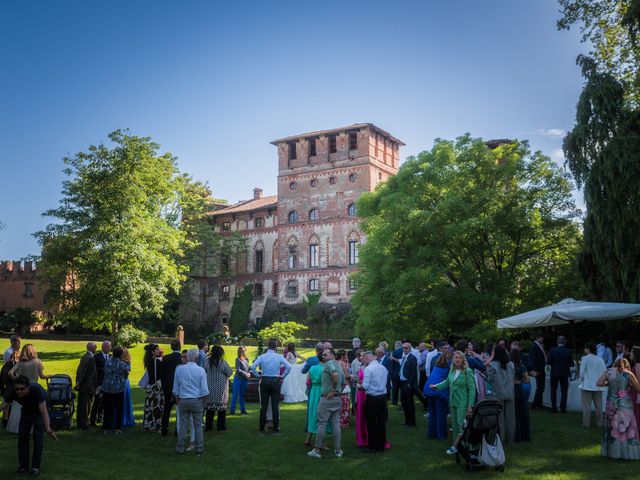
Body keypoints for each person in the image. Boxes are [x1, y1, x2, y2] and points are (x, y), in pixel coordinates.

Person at [0, 375, 58, 475]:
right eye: (17, 389)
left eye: (22, 389)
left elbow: (44, 411)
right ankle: (23, 467)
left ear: (28, 387)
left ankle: (35, 468)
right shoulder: (14, 392)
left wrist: (48, 428)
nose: (19, 391)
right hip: (27, 410)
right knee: (22, 438)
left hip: (39, 411)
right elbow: (3, 405)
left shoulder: (36, 391)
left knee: (37, 437)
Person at [430, 350, 476, 455]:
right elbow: (447, 382)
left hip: (463, 403)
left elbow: (472, 389)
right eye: (456, 358)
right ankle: (458, 447)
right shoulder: (452, 371)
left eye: (460, 357)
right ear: (453, 360)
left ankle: (468, 447)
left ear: (463, 360)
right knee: (455, 426)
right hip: (453, 402)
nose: (458, 359)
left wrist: (470, 406)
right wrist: (436, 386)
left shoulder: (468, 371)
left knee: (462, 426)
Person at [597, 357, 640, 460]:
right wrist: (630, 385)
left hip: (611, 403)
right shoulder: (628, 373)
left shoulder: (609, 372)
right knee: (627, 426)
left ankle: (612, 453)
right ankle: (627, 453)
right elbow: (638, 388)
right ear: (625, 365)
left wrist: (608, 383)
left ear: (615, 364)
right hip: (625, 403)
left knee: (612, 427)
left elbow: (598, 383)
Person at [308, 348, 346, 458]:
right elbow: (343, 383)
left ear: (332, 355)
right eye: (323, 355)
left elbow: (334, 375)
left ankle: (316, 450)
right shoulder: (339, 365)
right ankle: (338, 450)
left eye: (325, 354)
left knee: (321, 424)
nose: (323, 356)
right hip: (337, 399)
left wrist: (333, 390)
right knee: (336, 425)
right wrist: (337, 393)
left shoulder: (329, 364)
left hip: (327, 399)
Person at [173, 349, 208, 455]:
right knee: (197, 425)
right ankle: (199, 447)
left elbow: (175, 388)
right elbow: (204, 390)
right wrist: (204, 401)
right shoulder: (200, 370)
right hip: (196, 400)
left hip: (183, 399)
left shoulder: (180, 369)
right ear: (197, 358)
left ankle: (180, 447)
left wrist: (177, 399)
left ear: (187, 357)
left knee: (183, 424)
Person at [251, 339, 290, 433]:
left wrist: (258, 375)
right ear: (275, 347)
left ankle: (261, 428)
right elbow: (289, 366)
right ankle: (276, 428)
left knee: (263, 406)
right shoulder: (279, 357)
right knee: (275, 406)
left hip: (264, 380)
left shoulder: (262, 356)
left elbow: (252, 367)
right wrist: (282, 376)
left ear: (268, 346)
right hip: (275, 381)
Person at [360, 349, 389, 453]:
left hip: (372, 398)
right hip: (382, 397)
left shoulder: (368, 369)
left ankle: (372, 447)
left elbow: (365, 386)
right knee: (381, 422)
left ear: (368, 358)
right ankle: (381, 445)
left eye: (364, 359)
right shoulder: (383, 368)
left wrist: (358, 385)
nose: (364, 361)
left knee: (371, 423)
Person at [487, 345, 516, 445]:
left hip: (498, 394)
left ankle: (501, 440)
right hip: (510, 393)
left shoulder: (492, 364)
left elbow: (490, 379)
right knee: (511, 418)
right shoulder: (511, 364)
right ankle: (511, 440)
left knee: (500, 419)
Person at [101, 346, 130, 434]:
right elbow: (126, 374)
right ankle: (117, 428)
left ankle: (107, 427)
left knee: (107, 408)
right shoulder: (123, 364)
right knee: (119, 409)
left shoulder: (107, 362)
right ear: (121, 354)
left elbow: (104, 371)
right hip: (118, 389)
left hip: (107, 388)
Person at [305, 350, 332, 447]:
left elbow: (308, 381)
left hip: (313, 392)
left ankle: (308, 438)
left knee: (313, 414)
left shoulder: (312, 368)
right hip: (322, 392)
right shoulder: (326, 368)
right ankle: (321, 442)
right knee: (323, 416)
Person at [424, 350, 451, 440]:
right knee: (441, 414)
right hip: (438, 391)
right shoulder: (449, 367)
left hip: (428, 389)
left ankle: (431, 434)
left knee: (433, 413)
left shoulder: (437, 365)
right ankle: (441, 435)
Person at [205, 345, 233, 431]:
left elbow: (204, 371)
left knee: (210, 410)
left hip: (210, 388)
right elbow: (230, 372)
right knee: (221, 410)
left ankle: (208, 426)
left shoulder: (207, 362)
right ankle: (221, 426)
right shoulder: (223, 362)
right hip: (221, 389)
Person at [579, 343, 606, 428]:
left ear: (588, 349)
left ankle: (586, 424)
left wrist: (581, 380)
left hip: (587, 385)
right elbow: (605, 371)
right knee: (599, 406)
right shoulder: (600, 359)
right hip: (598, 385)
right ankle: (600, 423)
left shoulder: (584, 358)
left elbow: (582, 373)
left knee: (586, 406)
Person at [160, 339, 182, 436]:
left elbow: (163, 374)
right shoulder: (183, 358)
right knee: (179, 410)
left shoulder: (166, 358)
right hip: (180, 388)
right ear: (180, 346)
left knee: (166, 409)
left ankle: (164, 429)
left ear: (171, 347)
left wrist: (164, 385)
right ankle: (177, 430)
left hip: (168, 386)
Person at [547, 336, 574, 413]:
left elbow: (548, 362)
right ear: (565, 342)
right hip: (564, 373)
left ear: (557, 341)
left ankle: (554, 408)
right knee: (564, 392)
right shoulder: (568, 351)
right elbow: (571, 364)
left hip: (554, 373)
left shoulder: (552, 350)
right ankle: (563, 408)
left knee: (553, 391)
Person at [75, 341, 98, 430]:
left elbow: (79, 371)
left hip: (83, 385)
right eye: (95, 348)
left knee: (82, 405)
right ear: (92, 348)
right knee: (86, 406)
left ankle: (80, 423)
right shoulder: (91, 358)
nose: (96, 349)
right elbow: (88, 374)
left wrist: (78, 382)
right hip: (88, 386)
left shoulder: (84, 356)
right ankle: (84, 424)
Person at [176, 350, 196, 451]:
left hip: (191, 397)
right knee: (180, 421)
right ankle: (181, 442)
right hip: (181, 397)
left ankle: (192, 441)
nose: (183, 359)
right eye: (182, 357)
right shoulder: (178, 368)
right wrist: (176, 397)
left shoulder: (194, 369)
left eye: (185, 357)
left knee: (192, 421)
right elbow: (176, 384)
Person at [142, 343, 164, 432]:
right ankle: (156, 425)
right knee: (157, 407)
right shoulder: (157, 361)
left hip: (150, 387)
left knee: (150, 407)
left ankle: (148, 424)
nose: (159, 351)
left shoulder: (148, 361)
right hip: (157, 387)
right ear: (152, 351)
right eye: (157, 349)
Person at [510, 348, 531, 442]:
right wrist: (520, 380)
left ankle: (516, 435)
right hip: (519, 388)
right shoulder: (521, 366)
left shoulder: (509, 366)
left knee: (514, 413)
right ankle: (525, 435)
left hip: (512, 389)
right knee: (523, 412)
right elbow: (527, 380)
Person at [90, 340, 111, 426]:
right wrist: (104, 369)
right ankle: (92, 420)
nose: (109, 348)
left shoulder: (110, 357)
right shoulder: (96, 357)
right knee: (97, 402)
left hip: (107, 383)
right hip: (99, 382)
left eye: (110, 347)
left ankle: (100, 418)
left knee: (104, 402)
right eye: (108, 347)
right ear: (103, 347)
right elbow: (94, 370)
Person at [399, 342, 418, 427]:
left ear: (410, 348)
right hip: (403, 383)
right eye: (403, 347)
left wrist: (409, 384)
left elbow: (413, 373)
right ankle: (407, 420)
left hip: (408, 383)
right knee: (404, 402)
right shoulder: (404, 357)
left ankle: (412, 422)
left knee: (409, 403)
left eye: (406, 348)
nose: (404, 349)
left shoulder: (412, 358)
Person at [1, 349, 19, 428]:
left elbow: (1, 377)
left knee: (6, 406)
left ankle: (5, 422)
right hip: (14, 386)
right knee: (6, 405)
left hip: (7, 387)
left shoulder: (5, 365)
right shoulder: (17, 365)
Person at [230, 346, 250, 415]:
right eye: (241, 351)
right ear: (239, 351)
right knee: (235, 395)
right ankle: (232, 410)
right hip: (238, 379)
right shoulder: (237, 359)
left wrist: (249, 373)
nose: (243, 352)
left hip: (245, 379)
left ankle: (243, 410)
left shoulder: (247, 359)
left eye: (244, 350)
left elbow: (248, 368)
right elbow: (238, 370)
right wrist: (246, 374)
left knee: (242, 395)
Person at [529, 333, 547, 410]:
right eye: (541, 338)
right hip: (538, 370)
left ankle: (539, 404)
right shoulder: (534, 346)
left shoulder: (539, 346)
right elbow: (533, 359)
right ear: (537, 338)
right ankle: (535, 404)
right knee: (540, 387)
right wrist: (535, 370)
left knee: (541, 387)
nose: (542, 339)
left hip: (541, 369)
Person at [353, 350, 367, 447]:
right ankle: (361, 438)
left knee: (367, 414)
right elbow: (358, 380)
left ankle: (368, 436)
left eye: (363, 356)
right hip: (360, 393)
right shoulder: (361, 367)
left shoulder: (370, 368)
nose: (361, 357)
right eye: (360, 356)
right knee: (360, 414)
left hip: (368, 392)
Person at [335, 349, 351, 428]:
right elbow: (346, 375)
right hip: (345, 385)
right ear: (342, 356)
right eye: (346, 355)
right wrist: (351, 376)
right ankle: (344, 422)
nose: (347, 357)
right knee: (345, 404)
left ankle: (338, 421)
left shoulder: (336, 362)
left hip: (338, 386)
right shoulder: (342, 363)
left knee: (339, 405)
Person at [120, 348, 135, 428]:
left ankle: (124, 420)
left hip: (123, 382)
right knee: (124, 400)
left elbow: (127, 372)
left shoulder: (125, 362)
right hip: (125, 382)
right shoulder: (127, 362)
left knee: (124, 400)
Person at [389, 341, 403, 405]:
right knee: (402, 388)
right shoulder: (404, 351)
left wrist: (391, 372)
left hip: (395, 372)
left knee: (395, 388)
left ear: (396, 345)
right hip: (402, 373)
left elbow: (391, 364)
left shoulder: (394, 352)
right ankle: (403, 401)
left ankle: (394, 402)